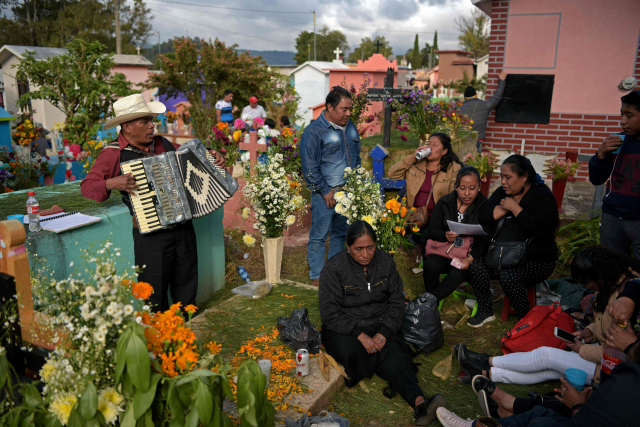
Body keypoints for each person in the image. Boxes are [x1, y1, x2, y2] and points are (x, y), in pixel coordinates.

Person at [81, 94, 226, 312]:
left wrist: (211, 154)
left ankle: (189, 333)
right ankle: (160, 339)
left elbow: (193, 153)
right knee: (154, 295)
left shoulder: (163, 143)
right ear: (127, 127)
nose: (152, 126)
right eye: (145, 122)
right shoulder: (113, 155)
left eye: (151, 120)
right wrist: (113, 182)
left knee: (187, 289)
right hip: (150, 237)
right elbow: (87, 186)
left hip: (183, 229)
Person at [456, 246, 640, 390]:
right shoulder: (609, 286)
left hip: (612, 370)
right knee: (550, 370)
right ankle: (485, 373)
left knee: (546, 356)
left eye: (587, 282)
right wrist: (589, 331)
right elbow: (602, 325)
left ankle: (485, 361)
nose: (589, 288)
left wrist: (582, 349)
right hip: (600, 352)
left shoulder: (624, 305)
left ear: (598, 275)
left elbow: (616, 353)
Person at [319, 221, 446, 425]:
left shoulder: (385, 261)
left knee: (397, 358)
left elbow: (397, 300)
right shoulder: (333, 268)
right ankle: (376, 360)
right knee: (351, 351)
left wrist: (384, 333)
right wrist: (361, 336)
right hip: (348, 328)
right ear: (348, 246)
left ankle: (420, 403)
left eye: (370, 247)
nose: (366, 254)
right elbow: (329, 312)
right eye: (358, 249)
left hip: (379, 323)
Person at [435, 339, 640, 427]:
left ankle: (488, 373)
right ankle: (505, 404)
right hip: (596, 359)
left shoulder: (630, 384)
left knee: (542, 420)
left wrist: (577, 405)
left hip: (595, 365)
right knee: (542, 411)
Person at [467, 154, 558, 327]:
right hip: (502, 254)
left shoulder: (543, 196)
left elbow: (540, 229)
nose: (503, 181)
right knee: (475, 265)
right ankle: (485, 310)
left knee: (508, 276)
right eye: (501, 177)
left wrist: (515, 208)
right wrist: (504, 209)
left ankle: (527, 319)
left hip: (537, 259)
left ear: (524, 177)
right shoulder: (503, 193)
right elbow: (484, 214)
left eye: (508, 177)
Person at [300, 86, 361, 287]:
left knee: (340, 234)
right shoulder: (314, 131)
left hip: (348, 193)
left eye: (350, 109)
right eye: (344, 109)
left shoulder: (350, 127)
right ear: (329, 107)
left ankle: (334, 274)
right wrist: (325, 191)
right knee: (319, 236)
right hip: (325, 193)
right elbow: (309, 166)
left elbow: (356, 157)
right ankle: (317, 278)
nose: (348, 113)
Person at [388, 132, 462, 261]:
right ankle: (388, 260)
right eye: (428, 144)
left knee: (427, 236)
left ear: (444, 151)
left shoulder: (453, 168)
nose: (430, 147)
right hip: (411, 214)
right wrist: (412, 157)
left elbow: (453, 196)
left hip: (436, 217)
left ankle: (421, 250)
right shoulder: (416, 164)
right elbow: (392, 174)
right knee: (387, 229)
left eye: (435, 145)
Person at [423, 166, 490, 300]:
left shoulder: (484, 206)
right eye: (462, 188)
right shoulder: (445, 202)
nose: (467, 193)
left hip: (468, 255)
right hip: (446, 250)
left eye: (472, 188)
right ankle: (431, 306)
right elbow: (432, 230)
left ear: (478, 187)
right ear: (455, 186)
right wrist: (445, 235)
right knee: (430, 264)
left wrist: (470, 259)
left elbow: (485, 240)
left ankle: (427, 303)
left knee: (457, 273)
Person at [588, 89, 640, 258]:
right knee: (612, 270)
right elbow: (596, 179)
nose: (622, 121)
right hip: (612, 217)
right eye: (621, 114)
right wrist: (601, 154)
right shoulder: (617, 141)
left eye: (629, 115)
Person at [459, 72, 507, 153]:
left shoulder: (459, 109)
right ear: (476, 95)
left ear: (465, 98)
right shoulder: (484, 105)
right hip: (478, 140)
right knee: (475, 161)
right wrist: (502, 80)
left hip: (463, 140)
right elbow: (497, 97)